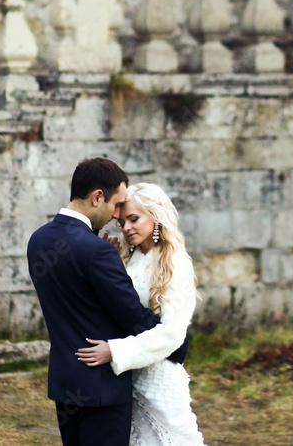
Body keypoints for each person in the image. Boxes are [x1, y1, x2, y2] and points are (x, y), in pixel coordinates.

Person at [27, 158, 187, 446]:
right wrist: (177, 343)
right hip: (104, 387)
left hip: (67, 383)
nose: (117, 217)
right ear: (97, 196)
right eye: (117, 206)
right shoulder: (97, 251)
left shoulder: (38, 240)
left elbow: (80, 294)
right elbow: (130, 315)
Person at [76, 182, 206, 445]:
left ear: (156, 216)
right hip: (126, 380)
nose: (126, 228)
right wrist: (111, 259)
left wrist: (116, 351)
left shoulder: (175, 263)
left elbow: (172, 334)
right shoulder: (127, 256)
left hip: (159, 380)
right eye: (122, 222)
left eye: (134, 219)